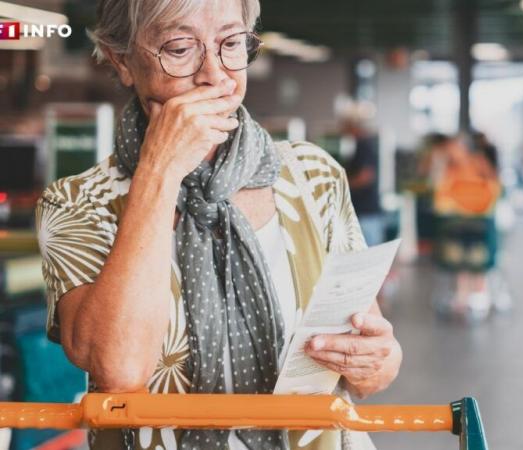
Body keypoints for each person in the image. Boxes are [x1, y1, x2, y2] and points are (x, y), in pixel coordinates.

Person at [34, 1, 401, 449]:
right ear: (121, 59)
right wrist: (159, 171)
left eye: (230, 43)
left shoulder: (313, 176)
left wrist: (377, 361)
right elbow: (118, 370)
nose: (215, 74)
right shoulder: (78, 202)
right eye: (180, 47)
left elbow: (369, 363)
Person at [429, 133, 501, 320]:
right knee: (459, 259)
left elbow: (493, 185)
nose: (452, 153)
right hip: (457, 222)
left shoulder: (478, 162)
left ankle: (478, 293)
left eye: (455, 149)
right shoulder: (449, 169)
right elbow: (440, 192)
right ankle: (461, 296)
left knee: (478, 259)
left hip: (479, 221)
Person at [343, 119, 384, 247]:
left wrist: (342, 184)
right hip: (364, 213)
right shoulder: (360, 147)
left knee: (369, 257)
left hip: (367, 213)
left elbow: (365, 176)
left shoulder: (364, 146)